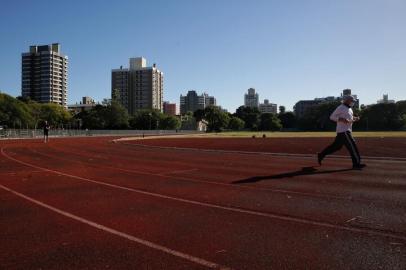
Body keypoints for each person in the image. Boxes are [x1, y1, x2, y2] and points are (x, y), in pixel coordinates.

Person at [317, 95, 366, 169]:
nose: (353, 102)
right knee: (352, 145)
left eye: (354, 101)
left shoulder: (350, 109)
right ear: (347, 100)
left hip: (345, 131)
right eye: (352, 101)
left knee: (336, 147)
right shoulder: (341, 107)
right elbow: (332, 117)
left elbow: (349, 118)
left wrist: (355, 118)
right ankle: (356, 164)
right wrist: (341, 119)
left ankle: (321, 155)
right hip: (344, 131)